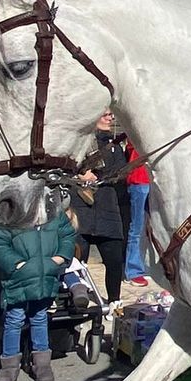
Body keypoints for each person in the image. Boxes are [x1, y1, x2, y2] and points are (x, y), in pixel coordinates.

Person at [0, 191, 77, 381]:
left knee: (40, 316)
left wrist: (59, 258)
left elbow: (68, 235)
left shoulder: (52, 211)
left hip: (45, 274)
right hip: (18, 276)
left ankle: (42, 363)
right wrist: (17, 264)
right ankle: (9, 365)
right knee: (14, 318)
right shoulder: (9, 212)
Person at [71, 112, 127, 303]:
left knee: (114, 261)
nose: (111, 118)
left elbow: (120, 171)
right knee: (78, 262)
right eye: (106, 115)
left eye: (112, 115)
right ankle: (77, 299)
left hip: (107, 210)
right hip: (81, 209)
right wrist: (80, 174)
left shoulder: (115, 147)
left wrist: (99, 177)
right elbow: (67, 165)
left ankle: (114, 301)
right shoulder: (79, 143)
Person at [121, 139, 153, 288]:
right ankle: (133, 271)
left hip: (154, 180)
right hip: (139, 180)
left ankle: (148, 266)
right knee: (137, 227)